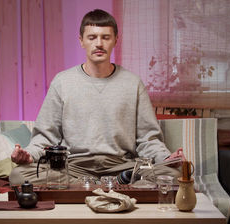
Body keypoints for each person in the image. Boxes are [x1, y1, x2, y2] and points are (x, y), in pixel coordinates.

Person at [10, 9, 183, 186]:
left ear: (116, 40)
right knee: (18, 175)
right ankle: (108, 186)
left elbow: (148, 139)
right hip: (73, 168)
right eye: (92, 37)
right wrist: (29, 155)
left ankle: (92, 187)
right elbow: (45, 137)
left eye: (105, 37)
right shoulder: (62, 82)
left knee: (175, 175)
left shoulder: (133, 83)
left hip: (122, 166)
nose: (99, 43)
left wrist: (167, 158)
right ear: (81, 41)